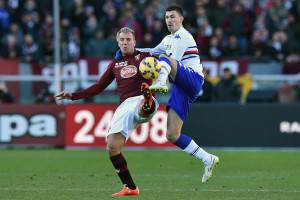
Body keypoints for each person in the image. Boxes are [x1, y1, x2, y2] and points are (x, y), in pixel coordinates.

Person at [55, 27, 159, 197]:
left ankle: (147, 102)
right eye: (122, 40)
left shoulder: (146, 58)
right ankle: (131, 187)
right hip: (124, 106)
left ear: (134, 42)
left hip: (140, 97)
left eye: (128, 39)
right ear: (118, 42)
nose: (125, 42)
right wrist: (73, 95)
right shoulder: (115, 64)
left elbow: (166, 68)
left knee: (142, 106)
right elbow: (98, 87)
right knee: (112, 147)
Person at [140, 5, 220, 183]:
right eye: (167, 17)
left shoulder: (183, 36)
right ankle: (208, 159)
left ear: (181, 19)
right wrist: (131, 53)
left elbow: (169, 60)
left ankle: (160, 83)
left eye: (173, 17)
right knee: (172, 134)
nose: (169, 20)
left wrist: (161, 80)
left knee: (167, 60)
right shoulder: (167, 39)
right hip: (181, 86)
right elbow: (152, 51)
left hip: (193, 80)